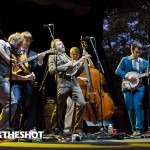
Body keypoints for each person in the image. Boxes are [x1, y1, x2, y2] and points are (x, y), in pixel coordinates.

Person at [48, 39, 89, 135]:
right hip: (63, 84)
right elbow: (52, 70)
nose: (62, 44)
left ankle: (78, 128)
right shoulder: (53, 57)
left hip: (74, 83)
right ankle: (52, 129)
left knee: (82, 103)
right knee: (59, 108)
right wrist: (66, 65)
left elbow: (75, 73)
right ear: (54, 47)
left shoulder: (68, 56)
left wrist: (81, 63)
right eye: (59, 44)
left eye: (62, 43)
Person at [0, 32, 35, 131]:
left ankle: (1, 128)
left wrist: (26, 78)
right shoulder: (3, 43)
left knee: (12, 103)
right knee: (12, 102)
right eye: (19, 45)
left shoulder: (11, 56)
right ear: (12, 41)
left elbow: (9, 75)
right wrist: (7, 59)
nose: (19, 48)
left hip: (2, 78)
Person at [11, 31, 45, 131]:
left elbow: (35, 69)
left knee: (28, 106)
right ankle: (13, 129)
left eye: (30, 41)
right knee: (16, 102)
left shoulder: (33, 54)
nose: (28, 43)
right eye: (26, 40)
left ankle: (25, 129)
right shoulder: (14, 52)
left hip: (28, 82)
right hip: (16, 81)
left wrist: (40, 61)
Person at [115, 41, 148, 136]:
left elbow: (147, 72)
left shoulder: (144, 62)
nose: (138, 54)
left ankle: (139, 129)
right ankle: (134, 129)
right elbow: (117, 71)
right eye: (136, 52)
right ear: (132, 50)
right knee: (130, 108)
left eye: (139, 52)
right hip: (127, 87)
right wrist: (127, 76)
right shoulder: (125, 60)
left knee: (138, 106)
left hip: (139, 88)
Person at [63, 46, 95, 135]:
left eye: (77, 54)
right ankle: (67, 128)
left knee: (82, 106)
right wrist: (80, 77)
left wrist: (87, 58)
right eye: (73, 54)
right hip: (69, 87)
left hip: (79, 88)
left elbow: (91, 67)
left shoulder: (81, 62)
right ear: (71, 54)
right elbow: (70, 74)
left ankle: (78, 128)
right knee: (70, 106)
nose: (75, 56)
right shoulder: (69, 62)